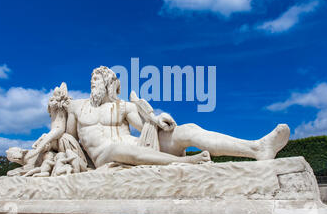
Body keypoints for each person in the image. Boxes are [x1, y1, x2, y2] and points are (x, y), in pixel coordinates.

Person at [59, 66, 290, 169]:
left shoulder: (125, 107)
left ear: (110, 83)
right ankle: (185, 162)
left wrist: (157, 120)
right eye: (92, 79)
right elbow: (68, 141)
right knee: (117, 150)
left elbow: (145, 128)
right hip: (105, 157)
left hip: (141, 148)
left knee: (187, 129)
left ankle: (257, 148)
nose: (93, 82)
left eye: (98, 79)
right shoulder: (78, 107)